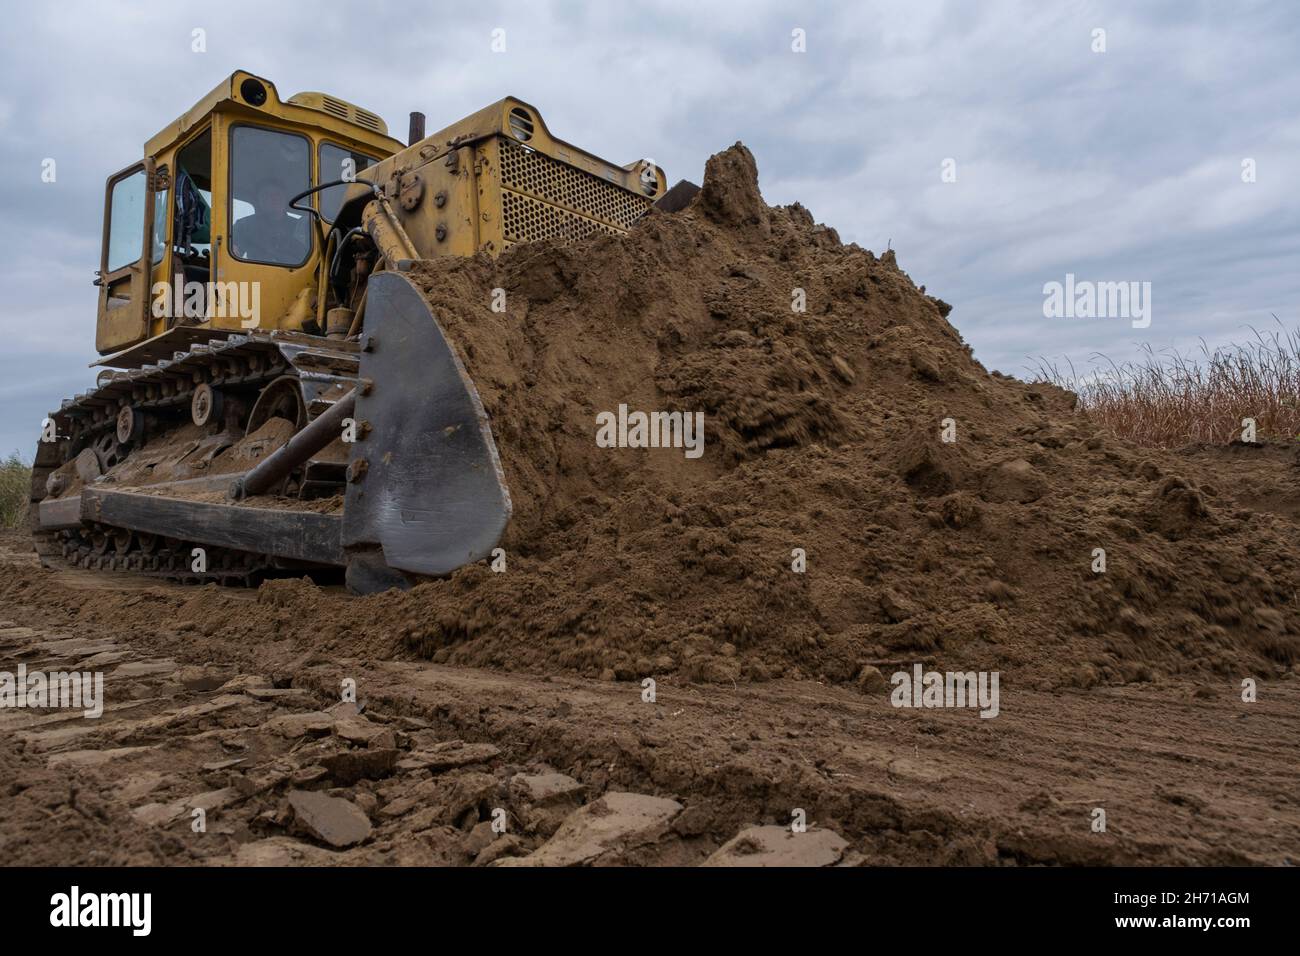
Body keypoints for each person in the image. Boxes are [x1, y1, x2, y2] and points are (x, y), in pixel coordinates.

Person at [232, 177, 310, 264]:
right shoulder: (244, 225)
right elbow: (233, 250)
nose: (273, 199)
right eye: (266, 195)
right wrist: (234, 249)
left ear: (284, 199)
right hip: (256, 273)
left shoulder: (301, 226)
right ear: (259, 200)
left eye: (277, 195)